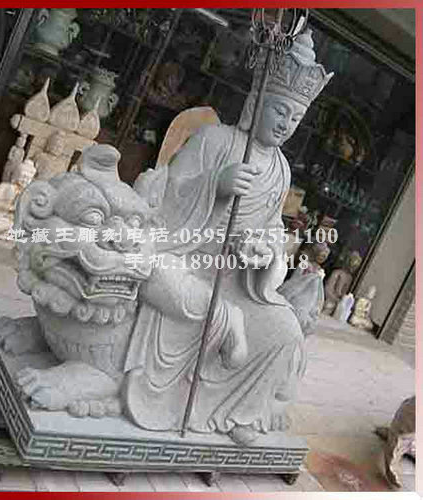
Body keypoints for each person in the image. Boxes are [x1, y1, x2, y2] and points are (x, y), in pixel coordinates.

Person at [123, 29, 333, 445]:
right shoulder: (215, 140)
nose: (285, 124)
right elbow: (168, 195)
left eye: (294, 119)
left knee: (286, 329)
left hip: (237, 279)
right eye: (279, 111)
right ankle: (165, 395)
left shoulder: (281, 170)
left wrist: (264, 252)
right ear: (256, 103)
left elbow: (272, 229)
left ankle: (239, 412)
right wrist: (214, 187)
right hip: (187, 260)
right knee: (169, 284)